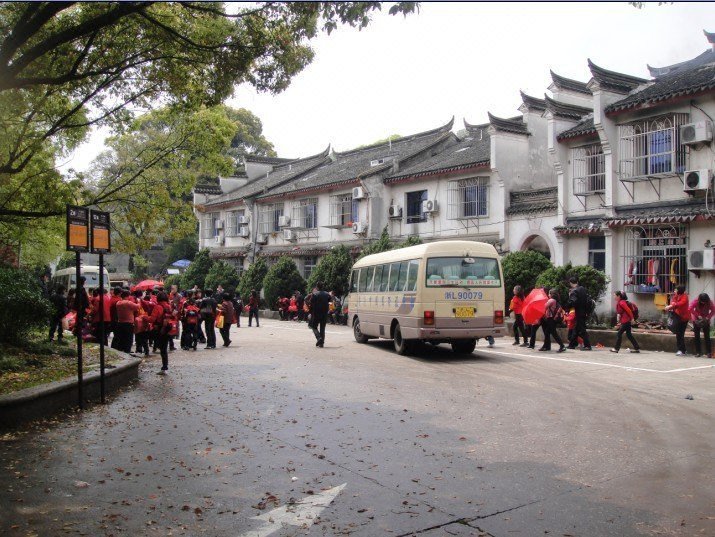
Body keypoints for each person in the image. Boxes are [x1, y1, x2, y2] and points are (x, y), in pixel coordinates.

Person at [566, 276, 592, 351]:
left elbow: (573, 302)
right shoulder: (583, 289)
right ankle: (572, 344)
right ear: (577, 282)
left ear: (571, 283)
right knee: (576, 329)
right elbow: (588, 300)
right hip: (584, 312)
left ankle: (587, 346)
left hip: (578, 312)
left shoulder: (574, 291)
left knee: (582, 329)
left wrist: (567, 305)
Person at [150, 292, 172, 374]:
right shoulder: (168, 306)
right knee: (164, 348)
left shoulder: (157, 307)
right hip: (167, 328)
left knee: (144, 336)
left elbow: (152, 319)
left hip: (160, 329)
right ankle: (164, 367)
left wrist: (144, 317)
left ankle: (164, 367)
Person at [665, 285, 690, 356]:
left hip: (684, 318)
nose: (674, 291)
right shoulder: (676, 295)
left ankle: (681, 350)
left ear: (679, 290)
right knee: (678, 334)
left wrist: (671, 306)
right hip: (677, 317)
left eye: (676, 290)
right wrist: (672, 305)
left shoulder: (685, 297)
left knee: (680, 334)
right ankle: (683, 350)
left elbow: (680, 304)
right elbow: (673, 301)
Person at [689, 293, 713, 358]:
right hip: (697, 320)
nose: (704, 303)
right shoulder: (696, 301)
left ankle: (709, 352)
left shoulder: (709, 302)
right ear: (699, 300)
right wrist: (697, 315)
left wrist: (708, 317)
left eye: (705, 302)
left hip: (705, 319)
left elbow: (713, 310)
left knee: (707, 336)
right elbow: (690, 308)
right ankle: (698, 352)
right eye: (702, 302)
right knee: (697, 336)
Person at [310, 282, 331, 348]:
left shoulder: (315, 294)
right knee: (322, 328)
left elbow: (311, 304)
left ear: (317, 287)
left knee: (313, 326)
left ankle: (319, 338)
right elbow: (329, 301)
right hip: (324, 313)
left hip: (316, 313)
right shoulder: (327, 294)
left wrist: (310, 312)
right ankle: (321, 344)